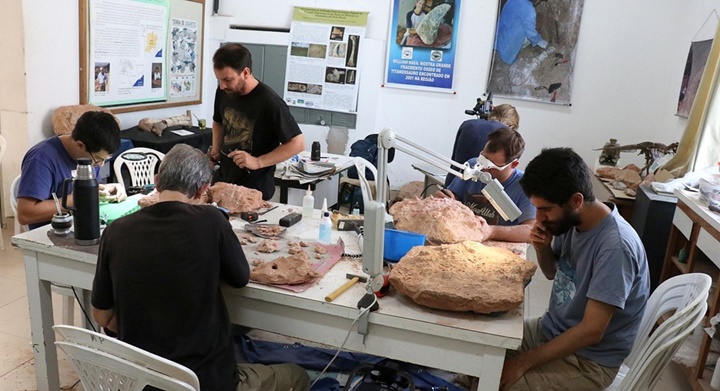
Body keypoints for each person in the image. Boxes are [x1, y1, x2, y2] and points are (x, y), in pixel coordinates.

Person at [91, 144, 310, 391]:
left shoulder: (116, 231)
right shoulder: (212, 221)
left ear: (157, 181)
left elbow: (103, 316)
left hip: (142, 382)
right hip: (205, 381)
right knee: (296, 375)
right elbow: (240, 278)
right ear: (203, 190)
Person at [500, 147, 649, 390]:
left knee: (496, 382)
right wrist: (542, 247)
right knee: (478, 352)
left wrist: (523, 363)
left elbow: (592, 331)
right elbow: (552, 273)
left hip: (589, 361)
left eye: (545, 209)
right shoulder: (571, 221)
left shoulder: (615, 247)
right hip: (552, 330)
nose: (538, 218)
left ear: (576, 200)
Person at [210, 43, 304, 200]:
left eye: (227, 79)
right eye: (219, 80)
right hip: (224, 181)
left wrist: (257, 161)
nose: (222, 86)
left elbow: (297, 143)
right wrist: (216, 149)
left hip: (254, 188)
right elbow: (218, 121)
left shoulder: (270, 102)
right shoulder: (223, 91)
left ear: (245, 72)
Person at [17, 110, 122, 230]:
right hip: (51, 233)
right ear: (80, 145)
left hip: (82, 225)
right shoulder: (41, 158)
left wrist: (108, 189)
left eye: (105, 159)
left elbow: (93, 190)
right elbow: (25, 214)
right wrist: (80, 197)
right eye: (98, 159)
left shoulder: (89, 155)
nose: (100, 165)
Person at [435, 127, 535, 243]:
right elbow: (454, 195)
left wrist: (492, 231)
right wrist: (447, 200)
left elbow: (531, 231)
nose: (483, 170)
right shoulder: (473, 166)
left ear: (514, 164)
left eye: (491, 167)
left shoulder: (525, 185)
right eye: (483, 160)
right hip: (464, 241)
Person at [444, 103, 520, 188]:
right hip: (481, 186)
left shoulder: (468, 124)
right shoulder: (506, 138)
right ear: (512, 126)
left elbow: (454, 159)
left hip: (455, 179)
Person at [495, 0, 549, 65]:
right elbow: (531, 34)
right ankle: (514, 52)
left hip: (497, 41)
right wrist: (539, 41)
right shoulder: (529, 10)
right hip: (507, 52)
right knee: (529, 33)